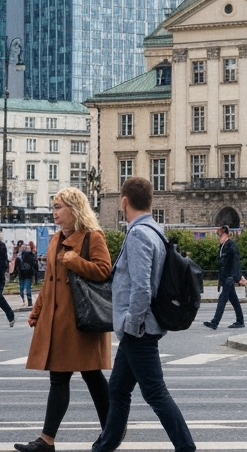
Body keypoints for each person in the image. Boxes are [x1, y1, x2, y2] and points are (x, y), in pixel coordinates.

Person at [91, 177, 194, 452]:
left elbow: (141, 288)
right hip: (141, 328)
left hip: (139, 329)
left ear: (124, 202)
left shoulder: (138, 234)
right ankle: (105, 446)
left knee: (155, 393)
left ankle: (187, 447)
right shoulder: (155, 230)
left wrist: (130, 325)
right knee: (118, 389)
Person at [15, 188, 113, 452]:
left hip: (83, 320)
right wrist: (37, 311)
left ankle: (112, 429)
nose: (54, 212)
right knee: (59, 378)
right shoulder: (56, 238)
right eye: (54, 207)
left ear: (74, 209)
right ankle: (47, 439)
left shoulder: (93, 236)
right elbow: (49, 282)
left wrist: (76, 261)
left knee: (92, 376)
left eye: (59, 207)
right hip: (58, 321)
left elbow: (104, 271)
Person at [203, 225, 246, 329]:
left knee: (222, 299)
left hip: (229, 278)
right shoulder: (223, 246)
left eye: (220, 236)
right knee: (234, 300)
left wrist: (237, 277)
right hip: (225, 277)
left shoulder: (231, 246)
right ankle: (240, 321)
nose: (219, 238)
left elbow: (235, 262)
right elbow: (222, 264)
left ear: (226, 235)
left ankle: (215, 322)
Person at [15, 241, 38, 308]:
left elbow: (34, 264)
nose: (24, 249)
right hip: (21, 274)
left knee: (28, 289)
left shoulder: (31, 255)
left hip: (28, 274)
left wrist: (34, 274)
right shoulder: (19, 256)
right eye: (23, 248)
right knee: (21, 289)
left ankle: (29, 302)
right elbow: (17, 265)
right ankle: (24, 300)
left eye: (26, 248)